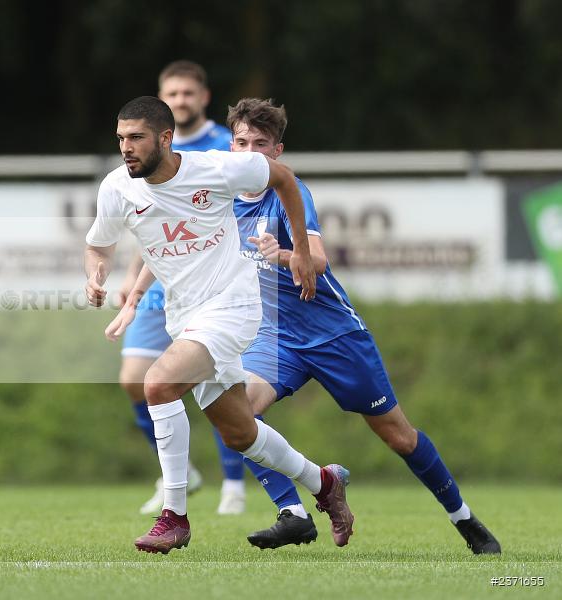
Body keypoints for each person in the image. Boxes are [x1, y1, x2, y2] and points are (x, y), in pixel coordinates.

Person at [225, 97, 501, 555]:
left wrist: (282, 254)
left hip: (334, 334)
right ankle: (294, 513)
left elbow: (317, 261)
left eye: (260, 143)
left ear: (277, 152)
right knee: (237, 414)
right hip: (277, 338)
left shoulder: (291, 192)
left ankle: (463, 517)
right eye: (241, 141)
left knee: (398, 435)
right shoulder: (220, 200)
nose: (249, 151)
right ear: (230, 145)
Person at [84, 95, 354, 554]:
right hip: (185, 316)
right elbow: (99, 244)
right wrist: (97, 274)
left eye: (135, 138)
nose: (125, 148)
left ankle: (174, 517)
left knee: (158, 384)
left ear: (165, 139)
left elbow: (284, 178)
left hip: (233, 306)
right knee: (240, 432)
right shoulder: (116, 188)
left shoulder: (216, 168)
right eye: (120, 139)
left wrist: (304, 254)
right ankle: (323, 481)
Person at [117, 60, 257, 516]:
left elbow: (266, 191)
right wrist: (131, 284)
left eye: (187, 94)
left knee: (217, 387)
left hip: (214, 279)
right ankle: (177, 474)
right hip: (162, 279)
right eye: (171, 94)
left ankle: (232, 486)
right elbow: (151, 224)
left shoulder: (223, 148)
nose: (180, 101)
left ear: (204, 97)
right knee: (135, 379)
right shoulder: (142, 153)